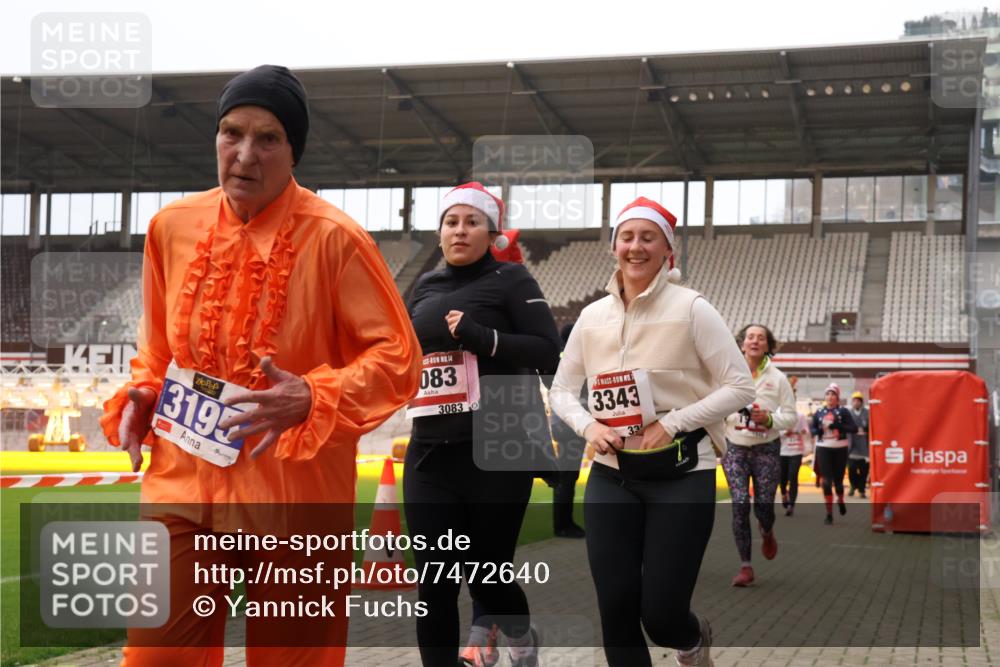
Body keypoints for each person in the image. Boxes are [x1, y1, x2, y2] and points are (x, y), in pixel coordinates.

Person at [100, 65, 422, 667]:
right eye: (232, 133)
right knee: (156, 657)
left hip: (295, 498)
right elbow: (159, 351)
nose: (245, 155)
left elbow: (399, 360)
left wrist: (312, 396)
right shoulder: (171, 227)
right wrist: (142, 394)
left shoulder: (336, 238)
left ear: (293, 151)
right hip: (183, 486)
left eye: (268, 138)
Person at [550, 196, 754, 667]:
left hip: (682, 474)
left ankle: (692, 637)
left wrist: (672, 422)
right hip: (611, 474)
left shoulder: (692, 308)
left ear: (668, 250)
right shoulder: (591, 317)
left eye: (648, 237)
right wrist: (589, 425)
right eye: (627, 237)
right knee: (616, 609)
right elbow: (561, 390)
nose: (636, 246)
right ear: (614, 247)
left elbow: (740, 385)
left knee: (661, 615)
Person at [404, 182, 561, 667]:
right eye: (451, 222)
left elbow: (548, 351)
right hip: (430, 453)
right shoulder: (426, 286)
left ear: (492, 233)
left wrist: (484, 338)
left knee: (487, 577)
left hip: (497, 451)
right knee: (434, 583)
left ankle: (522, 639)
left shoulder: (512, 279)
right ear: (439, 232)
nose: (460, 230)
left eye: (472, 222)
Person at [721, 324, 797, 587]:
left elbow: (791, 417)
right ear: (741, 343)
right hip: (735, 447)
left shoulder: (778, 378)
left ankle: (766, 529)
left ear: (768, 345)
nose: (755, 341)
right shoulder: (727, 374)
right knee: (740, 503)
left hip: (767, 448)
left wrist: (769, 419)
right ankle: (746, 566)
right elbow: (714, 406)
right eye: (750, 337)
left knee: (764, 506)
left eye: (761, 338)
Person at [549, 321, 587, 538]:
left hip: (562, 422)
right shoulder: (573, 359)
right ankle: (563, 525)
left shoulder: (559, 357)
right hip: (570, 422)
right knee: (567, 476)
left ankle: (563, 523)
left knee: (568, 475)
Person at [809, 383, 858, 525]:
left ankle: (840, 500)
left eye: (833, 394)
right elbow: (812, 429)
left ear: (837, 397)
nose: (830, 397)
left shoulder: (843, 411)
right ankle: (829, 513)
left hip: (840, 448)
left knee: (838, 482)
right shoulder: (819, 412)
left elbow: (853, 428)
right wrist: (818, 431)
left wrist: (837, 426)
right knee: (826, 481)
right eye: (828, 394)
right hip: (823, 447)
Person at [778, 397, 812, 517]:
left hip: (796, 450)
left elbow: (806, 431)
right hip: (782, 451)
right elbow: (773, 431)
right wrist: (784, 432)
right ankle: (783, 493)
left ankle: (791, 505)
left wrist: (800, 432)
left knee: (793, 476)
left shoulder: (800, 416)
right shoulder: (778, 414)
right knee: (782, 478)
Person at [847, 391, 870, 498]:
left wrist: (865, 429)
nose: (856, 403)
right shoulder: (849, 413)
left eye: (858, 401)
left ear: (861, 402)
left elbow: (872, 426)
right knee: (851, 469)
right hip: (852, 446)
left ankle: (862, 490)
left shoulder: (867, 413)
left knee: (864, 470)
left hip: (865, 447)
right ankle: (853, 485)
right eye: (854, 401)